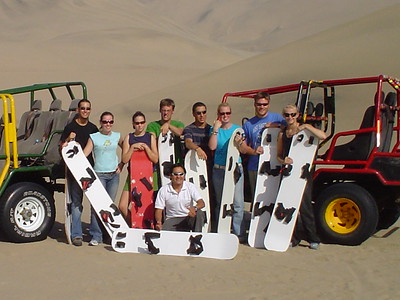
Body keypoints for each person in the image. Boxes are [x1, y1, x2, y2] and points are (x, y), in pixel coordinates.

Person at [277, 104, 327, 250]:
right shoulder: (283, 133)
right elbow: (278, 155)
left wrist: (305, 126)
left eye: (293, 114)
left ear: (298, 115)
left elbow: (323, 136)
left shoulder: (305, 129)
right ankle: (293, 237)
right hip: (287, 173)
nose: (290, 118)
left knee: (305, 206)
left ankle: (313, 238)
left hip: (303, 174)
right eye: (287, 115)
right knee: (288, 205)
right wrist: (283, 160)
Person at [60, 99, 98, 247]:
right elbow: (61, 147)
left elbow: (99, 147)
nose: (85, 111)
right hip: (74, 171)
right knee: (77, 203)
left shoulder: (93, 128)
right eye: (83, 108)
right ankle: (76, 234)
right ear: (78, 109)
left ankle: (96, 234)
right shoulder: (70, 127)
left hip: (90, 170)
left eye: (88, 108)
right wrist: (69, 139)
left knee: (95, 203)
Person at [83, 111, 124, 246]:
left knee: (109, 206)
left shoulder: (117, 136)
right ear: (101, 122)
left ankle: (109, 234)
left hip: (113, 175)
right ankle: (96, 235)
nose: (108, 124)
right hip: (99, 175)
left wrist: (122, 164)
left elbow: (127, 147)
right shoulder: (94, 137)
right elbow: (84, 154)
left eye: (110, 122)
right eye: (105, 121)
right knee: (97, 205)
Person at [208, 103, 245, 238]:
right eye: (222, 113)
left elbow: (242, 149)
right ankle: (221, 230)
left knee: (238, 203)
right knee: (221, 201)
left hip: (235, 168)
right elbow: (212, 147)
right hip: (219, 169)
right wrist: (216, 130)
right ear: (218, 114)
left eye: (227, 113)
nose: (225, 116)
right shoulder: (214, 129)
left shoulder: (238, 129)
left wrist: (239, 142)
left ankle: (238, 233)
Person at [242, 91, 286, 202]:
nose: (262, 107)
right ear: (255, 104)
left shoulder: (277, 118)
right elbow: (244, 147)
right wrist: (254, 151)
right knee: (257, 198)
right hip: (255, 166)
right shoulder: (248, 124)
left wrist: (276, 125)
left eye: (264, 104)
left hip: (274, 164)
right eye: (259, 104)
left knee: (274, 197)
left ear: (269, 104)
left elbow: (291, 129)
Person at [118, 111, 158, 222]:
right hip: (133, 175)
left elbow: (155, 158)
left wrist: (146, 148)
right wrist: (132, 148)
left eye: (142, 122)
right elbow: (125, 159)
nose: (139, 125)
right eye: (137, 123)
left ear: (145, 123)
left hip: (149, 175)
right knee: (122, 206)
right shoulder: (129, 138)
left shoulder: (150, 137)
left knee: (148, 206)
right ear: (133, 124)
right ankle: (134, 224)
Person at [154, 164, 205, 232]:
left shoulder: (190, 186)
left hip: (188, 218)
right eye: (175, 174)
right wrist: (158, 222)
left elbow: (201, 203)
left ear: (184, 176)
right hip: (172, 219)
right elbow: (159, 209)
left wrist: (194, 208)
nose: (178, 177)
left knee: (199, 213)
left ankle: (197, 237)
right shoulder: (163, 190)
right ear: (170, 176)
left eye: (181, 174)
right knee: (163, 233)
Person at [147, 98, 184, 189]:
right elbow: (152, 140)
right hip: (158, 164)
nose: (165, 113)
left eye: (168, 110)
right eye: (163, 110)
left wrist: (168, 125)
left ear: (172, 111)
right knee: (158, 189)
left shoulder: (178, 124)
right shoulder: (152, 125)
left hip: (176, 163)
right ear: (160, 110)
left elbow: (179, 132)